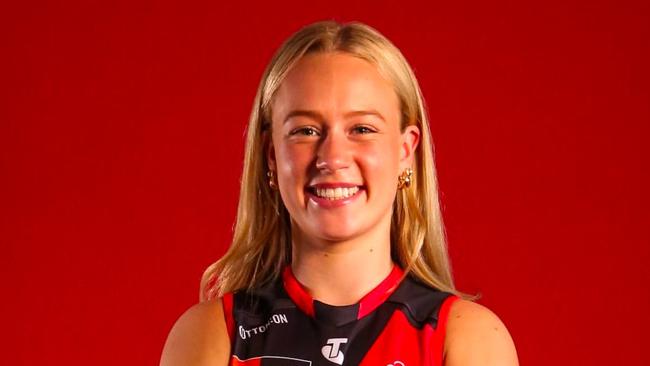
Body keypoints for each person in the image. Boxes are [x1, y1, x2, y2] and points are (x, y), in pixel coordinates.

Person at [160, 20, 518, 366]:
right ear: (271, 154)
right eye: (306, 131)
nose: (332, 158)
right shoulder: (214, 334)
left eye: (362, 128)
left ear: (405, 152)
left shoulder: (466, 338)